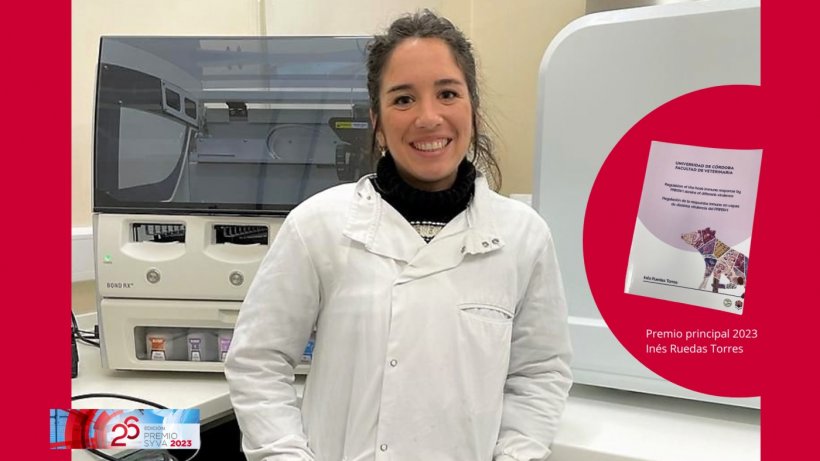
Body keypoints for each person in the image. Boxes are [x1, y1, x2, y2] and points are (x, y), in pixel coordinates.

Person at [225, 10, 572, 461]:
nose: (429, 118)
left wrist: (516, 454)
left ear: (473, 107)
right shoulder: (319, 226)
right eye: (403, 99)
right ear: (377, 120)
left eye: (447, 93)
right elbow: (258, 361)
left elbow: (540, 372)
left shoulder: (523, 237)